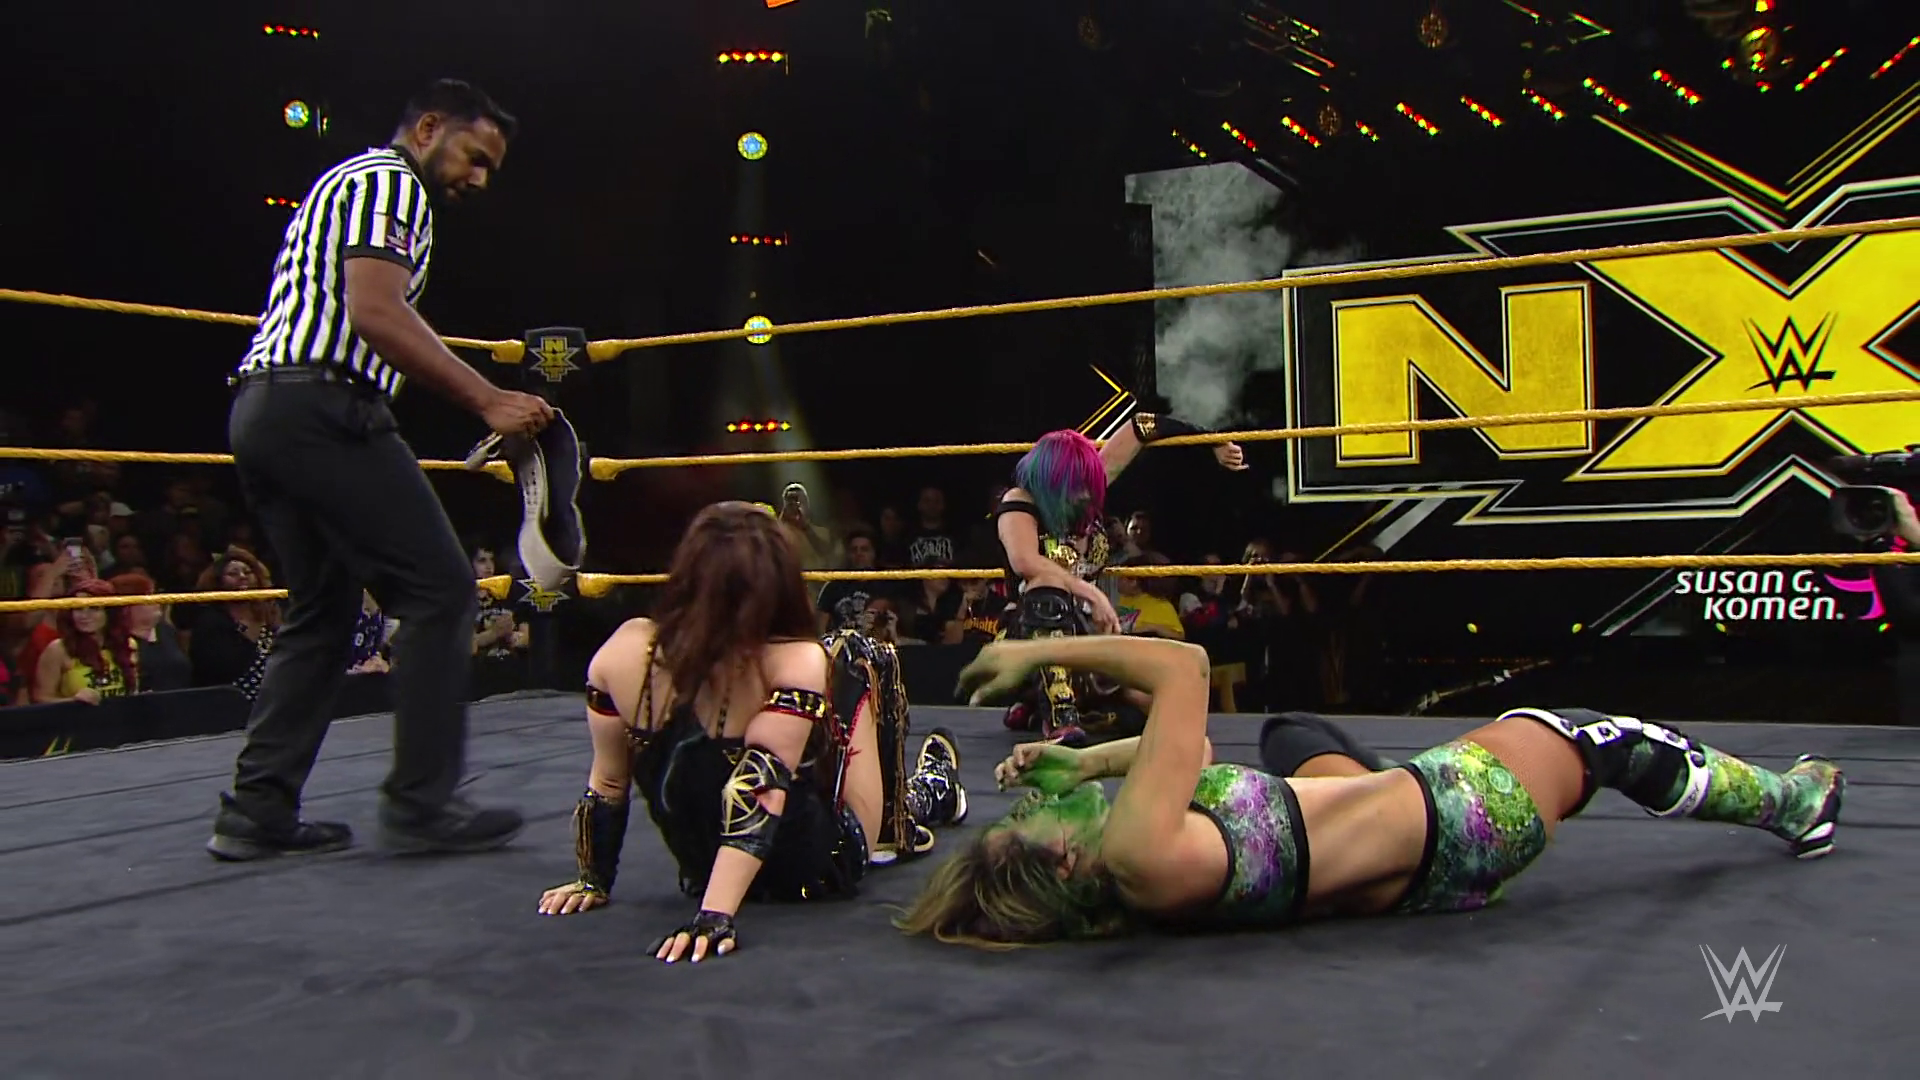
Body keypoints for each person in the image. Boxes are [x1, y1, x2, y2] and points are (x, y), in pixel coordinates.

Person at [897, 634, 1845, 949]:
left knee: (1292, 737)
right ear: (1065, 862)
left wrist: (1087, 763)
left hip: (1410, 865)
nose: (1030, 807)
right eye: (1030, 824)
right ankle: (1795, 805)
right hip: (1466, 813)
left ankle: (1364, 787)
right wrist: (1040, 648)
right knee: (1602, 740)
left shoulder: (1142, 866)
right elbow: (1183, 669)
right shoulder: (1138, 849)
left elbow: (1187, 755)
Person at [208, 79, 555, 862]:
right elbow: (376, 310)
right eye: (473, 156)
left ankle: (256, 810)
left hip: (269, 411)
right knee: (442, 589)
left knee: (322, 611)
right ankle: (422, 804)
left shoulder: (351, 183)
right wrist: (488, 398)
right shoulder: (390, 182)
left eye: (491, 168)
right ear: (428, 128)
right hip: (323, 408)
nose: (479, 179)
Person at [536, 501, 970, 964]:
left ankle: (928, 791)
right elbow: (756, 792)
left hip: (719, 869)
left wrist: (596, 879)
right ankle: (932, 789)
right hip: (810, 872)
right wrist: (712, 916)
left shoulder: (622, 652)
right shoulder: (795, 659)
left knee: (829, 678)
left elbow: (609, 781)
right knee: (853, 653)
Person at [994, 416, 1245, 746]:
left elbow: (1142, 425)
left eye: (1089, 484)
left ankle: (1041, 709)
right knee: (1046, 590)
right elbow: (1026, 562)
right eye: (1077, 485)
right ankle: (1059, 720)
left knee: (1153, 710)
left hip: (1087, 639)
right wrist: (1092, 593)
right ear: (1053, 481)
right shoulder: (1022, 501)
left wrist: (1212, 440)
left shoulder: (1086, 490)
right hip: (1024, 641)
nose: (1086, 494)